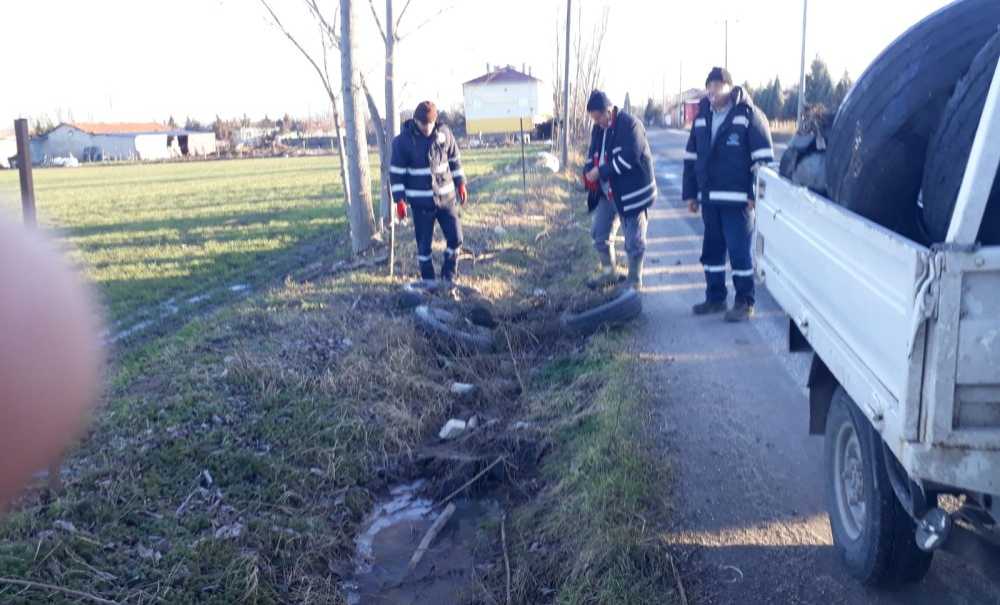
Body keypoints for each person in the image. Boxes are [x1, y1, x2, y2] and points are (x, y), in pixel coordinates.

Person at [683, 67, 774, 322]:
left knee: (739, 252)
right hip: (710, 199)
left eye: (717, 85)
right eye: (709, 86)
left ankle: (745, 302)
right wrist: (691, 194)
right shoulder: (702, 117)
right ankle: (715, 298)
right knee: (712, 252)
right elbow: (691, 158)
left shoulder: (749, 116)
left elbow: (763, 161)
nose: (711, 91)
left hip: (738, 202)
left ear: (729, 87)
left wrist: (754, 195)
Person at [582, 90, 657, 290]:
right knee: (599, 235)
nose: (597, 123)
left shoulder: (630, 125)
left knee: (634, 240)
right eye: (594, 119)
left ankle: (634, 280)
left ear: (608, 111)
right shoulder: (598, 129)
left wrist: (600, 171)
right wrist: (588, 171)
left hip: (632, 194)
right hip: (608, 194)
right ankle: (610, 274)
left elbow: (628, 158)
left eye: (598, 118)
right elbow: (592, 154)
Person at [390, 101, 468, 282]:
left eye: (430, 124)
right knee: (424, 247)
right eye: (423, 124)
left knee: (456, 238)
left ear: (435, 121)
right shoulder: (402, 143)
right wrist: (399, 200)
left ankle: (449, 276)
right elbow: (396, 174)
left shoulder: (445, 134)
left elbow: (455, 160)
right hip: (421, 204)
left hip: (447, 199)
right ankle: (429, 282)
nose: (427, 128)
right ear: (415, 121)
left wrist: (460, 183)